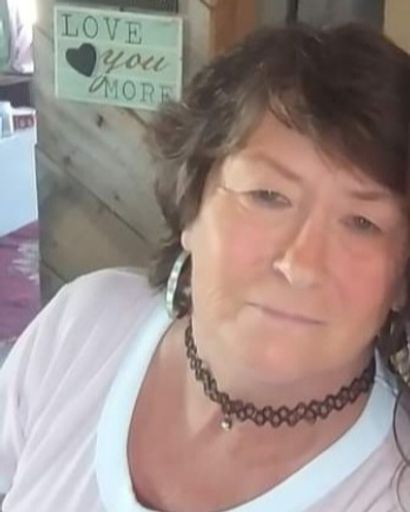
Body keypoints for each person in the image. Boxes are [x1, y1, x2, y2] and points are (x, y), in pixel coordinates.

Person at [1, 22, 410, 512]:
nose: (300, 264)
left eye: (362, 223)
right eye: (268, 196)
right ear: (192, 203)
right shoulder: (81, 328)